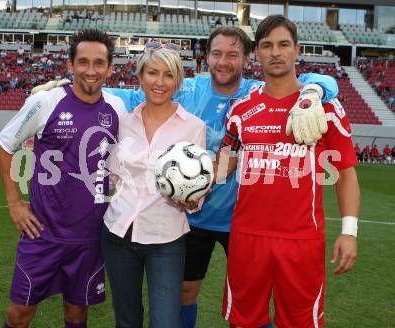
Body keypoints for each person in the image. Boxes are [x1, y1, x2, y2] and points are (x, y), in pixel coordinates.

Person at [32, 26, 339, 328]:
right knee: (185, 293)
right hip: (192, 219)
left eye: (233, 55)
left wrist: (314, 90)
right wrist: (63, 84)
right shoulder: (189, 89)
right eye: (216, 54)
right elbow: (132, 89)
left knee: (251, 303)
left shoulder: (257, 92)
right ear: (206, 57)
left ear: (248, 58)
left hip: (239, 219)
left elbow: (308, 79)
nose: (223, 61)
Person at [217, 15, 360, 328]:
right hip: (247, 237)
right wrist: (194, 185)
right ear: (256, 54)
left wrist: (349, 232)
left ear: (297, 50)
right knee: (243, 322)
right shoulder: (241, 108)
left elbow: (346, 173)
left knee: (300, 324)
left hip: (301, 240)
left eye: (283, 45)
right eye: (267, 45)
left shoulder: (325, 107)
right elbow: (225, 160)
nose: (275, 52)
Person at [0, 29, 125, 328]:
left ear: (110, 68)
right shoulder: (47, 102)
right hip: (42, 232)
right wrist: (14, 202)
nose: (90, 71)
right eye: (83, 62)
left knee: (76, 313)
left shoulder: (117, 108)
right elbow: (4, 145)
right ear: (70, 65)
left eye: (98, 63)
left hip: (89, 235)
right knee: (19, 314)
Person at [102, 44, 206, 328]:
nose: (160, 82)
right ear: (140, 76)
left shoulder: (193, 127)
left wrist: (191, 199)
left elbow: (197, 190)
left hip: (166, 240)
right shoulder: (122, 122)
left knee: (166, 322)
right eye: (152, 73)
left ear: (178, 82)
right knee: (127, 319)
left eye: (168, 75)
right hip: (118, 234)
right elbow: (109, 176)